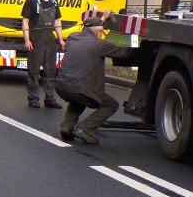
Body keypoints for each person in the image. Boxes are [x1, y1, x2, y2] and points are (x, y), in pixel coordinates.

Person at [55, 10, 135, 144]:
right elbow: (125, 53)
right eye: (101, 32)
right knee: (110, 105)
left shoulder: (72, 38)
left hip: (61, 87)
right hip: (81, 89)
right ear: (98, 32)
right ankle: (85, 129)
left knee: (78, 97)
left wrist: (102, 18)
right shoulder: (100, 45)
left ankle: (67, 126)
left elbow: (93, 26)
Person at [21, 0, 65, 109]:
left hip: (50, 40)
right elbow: (25, 21)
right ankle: (33, 99)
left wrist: (61, 39)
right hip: (36, 39)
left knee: (51, 71)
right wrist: (27, 40)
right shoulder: (32, 0)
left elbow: (57, 21)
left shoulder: (54, 1)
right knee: (34, 71)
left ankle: (50, 99)